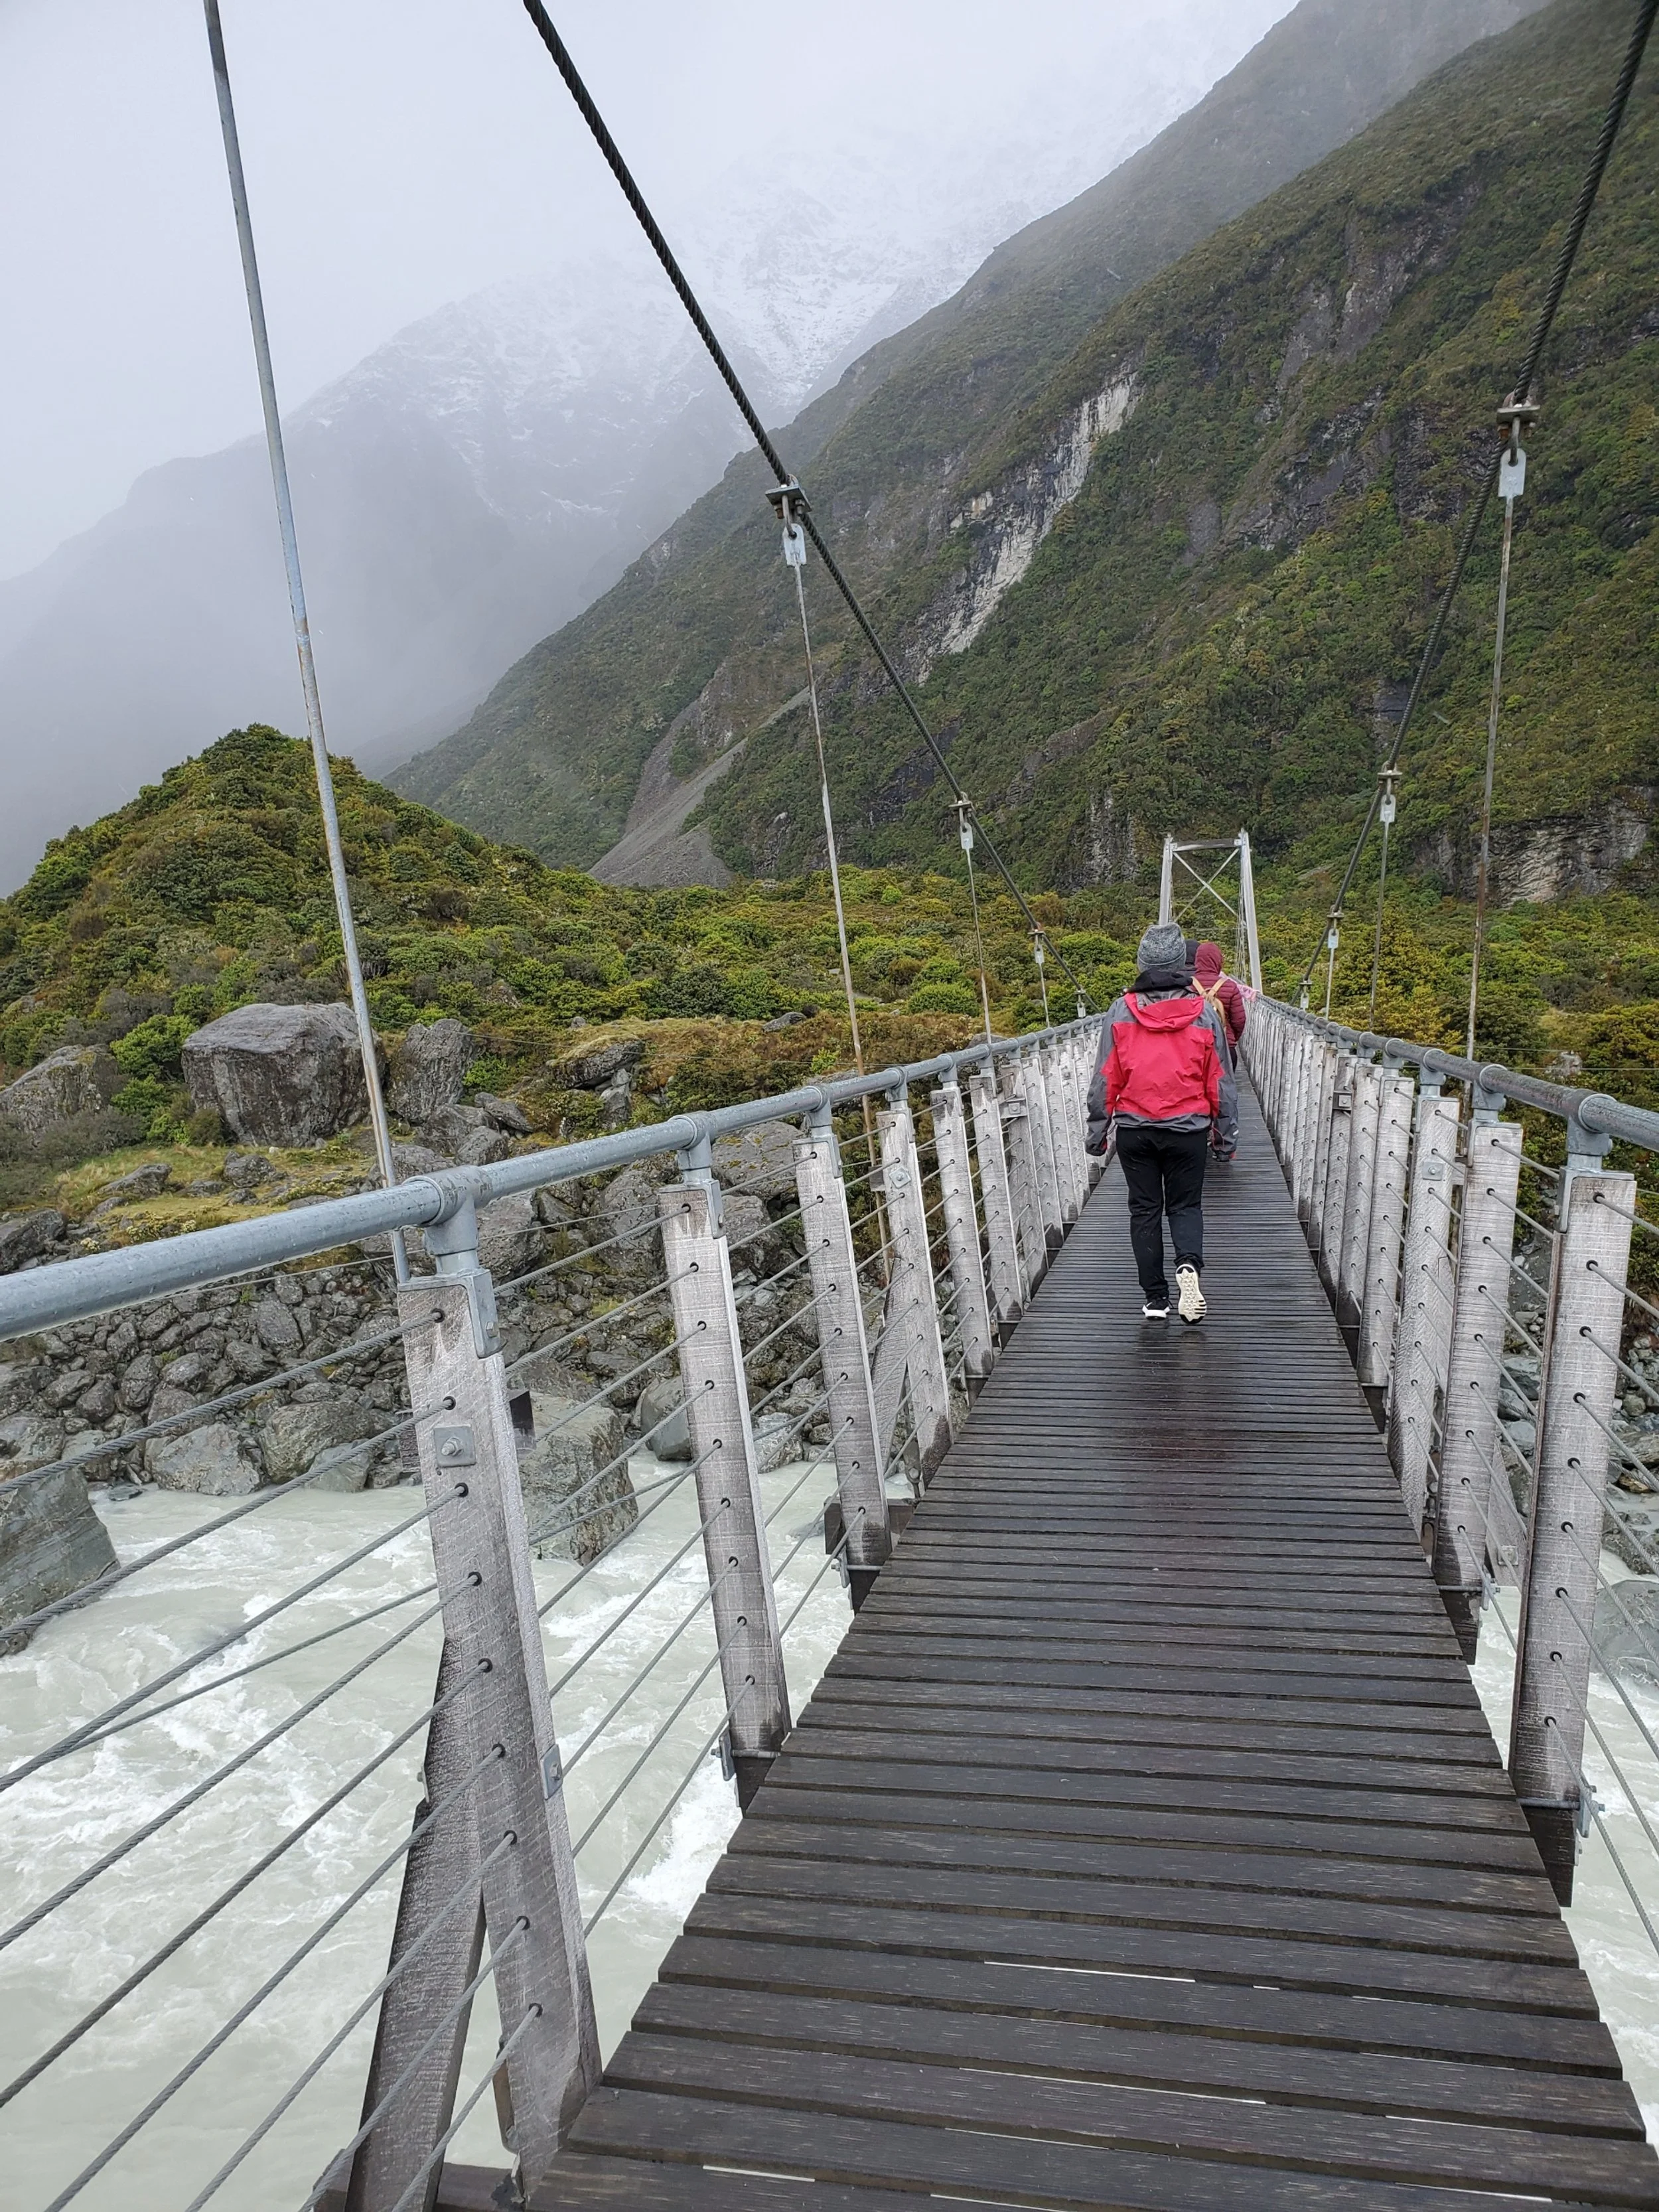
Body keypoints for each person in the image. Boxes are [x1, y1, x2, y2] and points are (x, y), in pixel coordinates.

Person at [1085, 921, 1237, 1323]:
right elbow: (1221, 1080)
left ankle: (1156, 1300)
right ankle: (1188, 1265)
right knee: (1185, 1206)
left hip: (1136, 1129)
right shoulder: (1204, 1012)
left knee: (1145, 1211)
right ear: (1181, 965)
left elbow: (1105, 1077)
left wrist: (1098, 1132)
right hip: (1189, 1130)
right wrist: (1225, 1136)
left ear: (1141, 962)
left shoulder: (1120, 1011)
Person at [1193, 941, 1247, 1065]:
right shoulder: (1230, 986)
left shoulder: (1185, 985)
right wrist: (1231, 1039)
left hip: (1194, 1050)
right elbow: (1239, 1021)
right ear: (1219, 961)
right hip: (1225, 1050)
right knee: (1225, 1085)